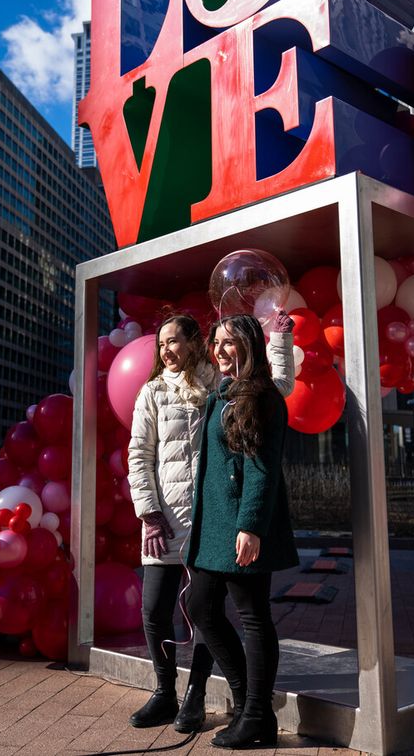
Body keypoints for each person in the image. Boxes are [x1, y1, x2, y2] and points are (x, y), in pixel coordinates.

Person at [127, 311, 294, 733]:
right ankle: (176, 692)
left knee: (231, 611)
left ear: (192, 344)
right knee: (166, 610)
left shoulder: (218, 386)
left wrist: (279, 341)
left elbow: (274, 394)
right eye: (160, 344)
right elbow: (138, 456)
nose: (166, 350)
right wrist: (148, 512)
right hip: (169, 518)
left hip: (217, 520)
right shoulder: (166, 392)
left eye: (173, 341)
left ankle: (208, 698)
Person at [186, 314, 299, 749]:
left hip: (240, 525)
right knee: (201, 606)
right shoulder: (222, 394)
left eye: (230, 342)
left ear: (250, 344)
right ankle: (245, 698)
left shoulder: (263, 396)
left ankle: (257, 715)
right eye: (217, 343)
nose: (219, 350)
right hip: (215, 525)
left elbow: (262, 467)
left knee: (253, 616)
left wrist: (250, 525)